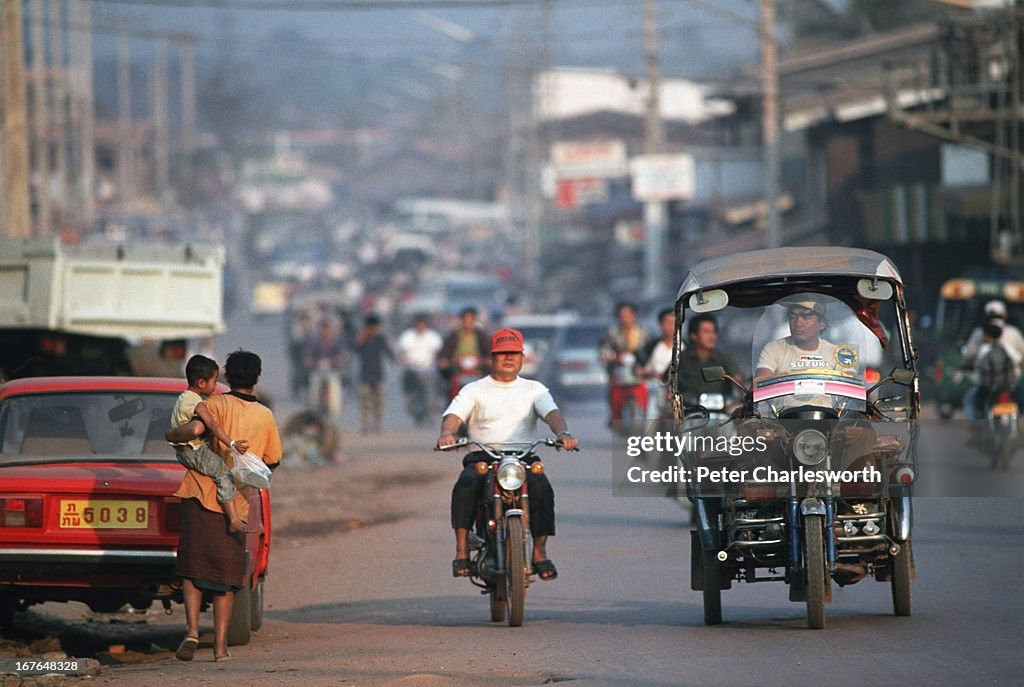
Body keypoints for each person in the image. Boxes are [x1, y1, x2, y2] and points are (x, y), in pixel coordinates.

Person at [167, 350, 282, 663]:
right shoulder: (265, 415)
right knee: (226, 580)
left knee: (192, 570)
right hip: (237, 505)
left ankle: (192, 631)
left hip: (198, 495)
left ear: (227, 377)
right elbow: (272, 459)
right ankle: (220, 648)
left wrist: (170, 435)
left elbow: (192, 432)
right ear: (256, 378)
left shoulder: (213, 404)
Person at [437, 327, 578, 582]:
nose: (509, 358)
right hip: (484, 456)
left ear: (522, 358)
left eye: (514, 353)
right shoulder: (474, 389)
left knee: (542, 488)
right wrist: (448, 433)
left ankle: (539, 552)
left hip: (523, 457)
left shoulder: (535, 389)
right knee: (466, 484)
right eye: (503, 353)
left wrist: (563, 433)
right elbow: (454, 415)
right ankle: (461, 551)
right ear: (491, 358)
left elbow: (552, 414)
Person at [166, 355, 250, 535]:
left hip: (184, 452)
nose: (215, 385)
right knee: (224, 474)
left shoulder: (183, 398)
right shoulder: (196, 403)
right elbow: (212, 425)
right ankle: (233, 519)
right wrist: (232, 443)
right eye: (214, 381)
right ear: (201, 383)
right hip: (194, 451)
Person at [754, 299, 837, 379]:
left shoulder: (835, 354)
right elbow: (760, 383)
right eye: (792, 316)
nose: (798, 323)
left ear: (822, 323)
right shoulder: (774, 349)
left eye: (806, 316)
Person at [598, 301, 651, 425]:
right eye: (622, 316)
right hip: (618, 372)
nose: (625, 319)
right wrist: (612, 357)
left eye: (628, 315)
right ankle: (615, 418)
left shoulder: (643, 333)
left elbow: (650, 351)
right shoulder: (612, 334)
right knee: (613, 395)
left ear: (634, 316)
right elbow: (603, 350)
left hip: (639, 373)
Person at [676, 314, 743, 401]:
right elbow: (668, 381)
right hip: (689, 406)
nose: (712, 336)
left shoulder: (723, 358)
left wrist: (744, 397)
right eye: (706, 332)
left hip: (720, 405)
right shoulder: (682, 359)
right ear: (693, 335)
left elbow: (737, 379)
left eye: (713, 332)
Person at [963, 321, 1021, 421]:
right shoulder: (1007, 347)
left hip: (989, 385)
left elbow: (979, 364)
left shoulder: (985, 349)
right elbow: (1018, 359)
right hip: (1008, 384)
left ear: (988, 335)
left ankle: (975, 423)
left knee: (971, 399)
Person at [397, 313, 444, 423]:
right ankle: (408, 399)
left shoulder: (433, 336)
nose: (421, 326)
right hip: (412, 368)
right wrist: (404, 359)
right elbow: (403, 352)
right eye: (419, 324)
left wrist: (440, 361)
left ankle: (437, 400)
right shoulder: (407, 336)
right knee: (406, 379)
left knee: (440, 381)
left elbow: (438, 352)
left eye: (423, 324)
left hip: (429, 369)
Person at [352, 313, 395, 433]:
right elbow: (355, 348)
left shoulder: (380, 338)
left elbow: (388, 351)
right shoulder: (362, 338)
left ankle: (377, 423)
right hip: (365, 374)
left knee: (379, 400)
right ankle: (365, 423)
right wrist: (361, 336)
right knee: (365, 400)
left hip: (378, 373)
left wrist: (394, 359)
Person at [437, 306, 490, 398]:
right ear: (461, 320)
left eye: (471, 320)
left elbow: (488, 350)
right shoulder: (454, 335)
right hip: (458, 370)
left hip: (478, 370)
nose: (468, 323)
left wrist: (488, 359)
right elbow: (445, 351)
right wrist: (444, 360)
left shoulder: (480, 334)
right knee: (449, 387)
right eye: (465, 320)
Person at [637, 308, 676, 420]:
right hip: (654, 390)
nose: (670, 326)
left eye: (673, 323)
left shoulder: (684, 347)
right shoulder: (652, 346)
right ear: (660, 325)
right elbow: (639, 369)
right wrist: (651, 373)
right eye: (667, 323)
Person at [303, 318, 347, 418]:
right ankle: (314, 408)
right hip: (317, 369)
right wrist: (313, 361)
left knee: (335, 387)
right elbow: (307, 355)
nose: (325, 331)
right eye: (323, 329)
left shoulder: (335, 342)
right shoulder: (314, 342)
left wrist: (334, 361)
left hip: (332, 370)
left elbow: (342, 356)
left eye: (327, 329)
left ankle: (335, 410)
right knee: (314, 386)